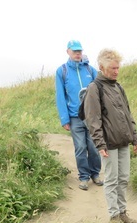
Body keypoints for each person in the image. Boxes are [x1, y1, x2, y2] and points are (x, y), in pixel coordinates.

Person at [83, 48, 137, 223]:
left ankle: (123, 213)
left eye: (118, 68)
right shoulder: (95, 88)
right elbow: (93, 119)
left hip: (123, 140)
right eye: (113, 68)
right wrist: (99, 143)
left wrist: (134, 137)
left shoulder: (118, 87)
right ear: (101, 67)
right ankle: (114, 217)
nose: (117, 71)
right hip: (108, 143)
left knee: (123, 178)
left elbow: (127, 114)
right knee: (111, 179)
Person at [55, 39, 102, 191]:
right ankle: (83, 177)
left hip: (92, 117)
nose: (77, 53)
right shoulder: (62, 71)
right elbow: (60, 96)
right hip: (75, 117)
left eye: (79, 51)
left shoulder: (90, 70)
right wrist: (64, 119)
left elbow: (101, 91)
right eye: (74, 51)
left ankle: (95, 174)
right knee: (80, 147)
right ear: (68, 51)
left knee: (94, 147)